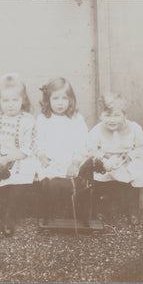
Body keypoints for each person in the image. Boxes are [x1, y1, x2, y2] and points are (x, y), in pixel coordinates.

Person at [0, 73, 36, 238]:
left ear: (22, 100)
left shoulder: (28, 120)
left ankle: (9, 215)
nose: (10, 105)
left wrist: (9, 158)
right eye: (6, 101)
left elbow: (27, 148)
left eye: (15, 100)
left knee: (23, 175)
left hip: (18, 156)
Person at [83, 92, 143, 224]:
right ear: (101, 115)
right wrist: (103, 156)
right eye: (107, 115)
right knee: (99, 175)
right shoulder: (97, 130)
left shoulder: (134, 128)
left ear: (125, 116)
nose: (112, 120)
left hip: (127, 159)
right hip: (107, 160)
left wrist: (130, 156)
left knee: (135, 173)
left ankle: (132, 209)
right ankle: (101, 208)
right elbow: (90, 148)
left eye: (117, 115)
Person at [34, 77, 89, 224]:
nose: (60, 103)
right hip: (50, 160)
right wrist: (42, 155)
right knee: (49, 179)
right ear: (48, 100)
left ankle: (70, 205)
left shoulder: (76, 119)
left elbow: (82, 144)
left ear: (71, 100)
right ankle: (49, 210)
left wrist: (76, 162)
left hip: (70, 160)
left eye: (64, 98)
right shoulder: (43, 119)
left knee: (69, 178)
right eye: (55, 98)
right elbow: (38, 142)